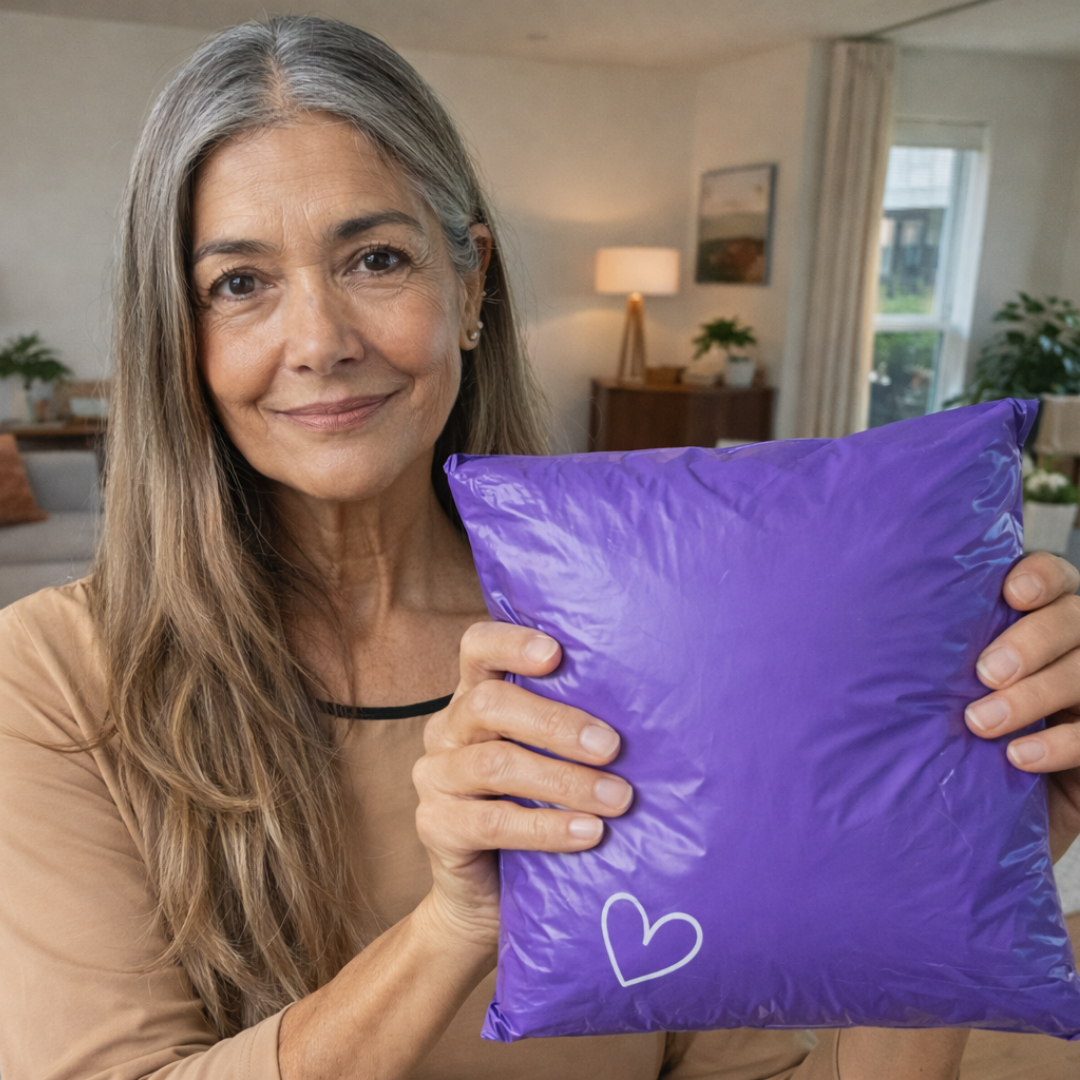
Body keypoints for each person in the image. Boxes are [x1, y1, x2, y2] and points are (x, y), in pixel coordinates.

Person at [0, 16, 1078, 1080]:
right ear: (175, 332)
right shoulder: (54, 679)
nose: (320, 341)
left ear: (469, 283)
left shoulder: (649, 625)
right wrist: (450, 929)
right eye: (240, 283)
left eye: (376, 259)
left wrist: (964, 851)